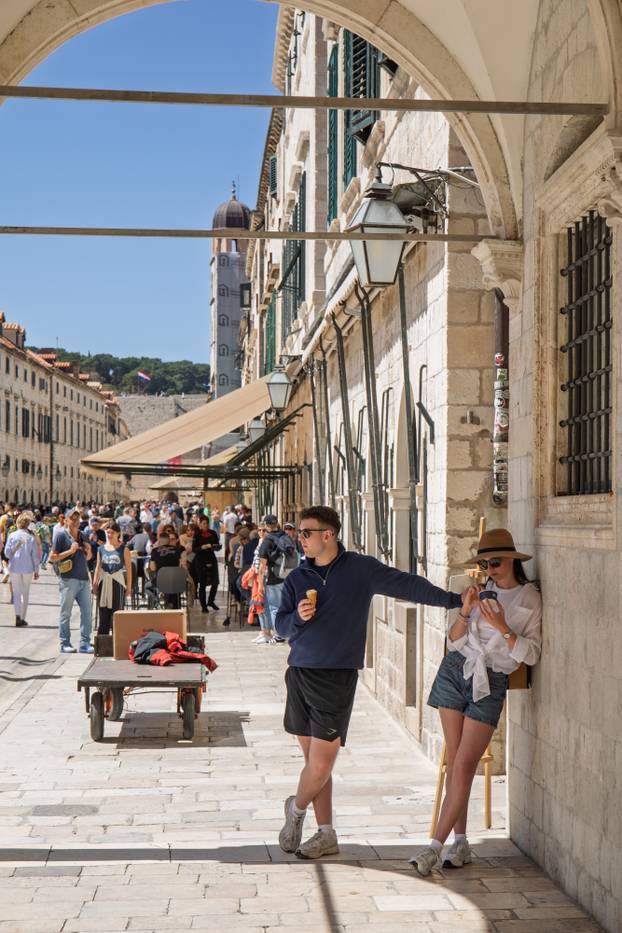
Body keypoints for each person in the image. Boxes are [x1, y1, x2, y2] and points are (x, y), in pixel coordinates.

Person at [275, 505, 465, 860]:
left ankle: (296, 810)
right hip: (299, 672)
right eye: (299, 532)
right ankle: (326, 832)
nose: (299, 539)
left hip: (336, 676)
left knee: (320, 765)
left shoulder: (360, 570)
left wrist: (453, 600)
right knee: (313, 764)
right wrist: (297, 619)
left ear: (327, 535)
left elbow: (407, 584)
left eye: (306, 532)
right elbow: (280, 626)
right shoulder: (297, 579)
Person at [411, 528, 542, 876]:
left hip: (491, 681)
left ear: (512, 560)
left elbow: (530, 655)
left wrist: (503, 626)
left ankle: (433, 848)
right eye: (485, 562)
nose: (490, 568)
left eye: (495, 561)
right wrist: (466, 611)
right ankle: (461, 841)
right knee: (455, 763)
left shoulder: (528, 599)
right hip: (457, 671)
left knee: (464, 766)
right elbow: (454, 642)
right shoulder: (480, 591)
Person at [49, 510, 94, 654]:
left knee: (87, 613)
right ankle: (65, 643)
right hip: (68, 579)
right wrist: (70, 551)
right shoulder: (61, 535)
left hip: (84, 579)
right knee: (65, 613)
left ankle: (85, 643)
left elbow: (87, 559)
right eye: (72, 518)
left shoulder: (83, 535)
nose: (75, 521)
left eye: (77, 518)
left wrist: (89, 551)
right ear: (66, 520)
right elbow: (52, 557)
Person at [257, 515, 297, 643]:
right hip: (288, 576)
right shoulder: (284, 536)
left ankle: (279, 634)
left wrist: (259, 584)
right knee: (286, 606)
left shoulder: (267, 541)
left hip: (274, 578)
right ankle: (287, 630)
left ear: (267, 525)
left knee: (275, 607)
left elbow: (262, 566)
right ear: (277, 524)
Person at [91, 522, 132, 637]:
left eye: (112, 532)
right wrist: (95, 583)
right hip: (104, 582)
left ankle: (117, 640)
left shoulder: (124, 549)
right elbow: (98, 567)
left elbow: (129, 569)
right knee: (103, 612)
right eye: (108, 532)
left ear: (118, 533)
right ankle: (102, 641)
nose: (109, 535)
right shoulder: (101, 549)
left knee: (117, 613)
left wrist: (128, 587)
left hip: (117, 582)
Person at [5, 513, 40, 627]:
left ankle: (17, 615)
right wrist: (36, 570)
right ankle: (23, 618)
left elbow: (7, 553)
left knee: (16, 593)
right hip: (28, 567)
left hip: (14, 567)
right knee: (25, 593)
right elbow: (35, 555)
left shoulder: (12, 535)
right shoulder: (31, 537)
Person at [192, 515, 222, 612]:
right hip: (200, 560)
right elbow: (194, 549)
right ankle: (203, 606)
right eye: (203, 523)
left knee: (215, 582)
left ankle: (211, 600)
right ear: (200, 524)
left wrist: (216, 546)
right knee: (203, 584)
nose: (206, 525)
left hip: (211, 558)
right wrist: (203, 547)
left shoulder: (213, 533)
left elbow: (217, 545)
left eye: (207, 523)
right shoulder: (197, 534)